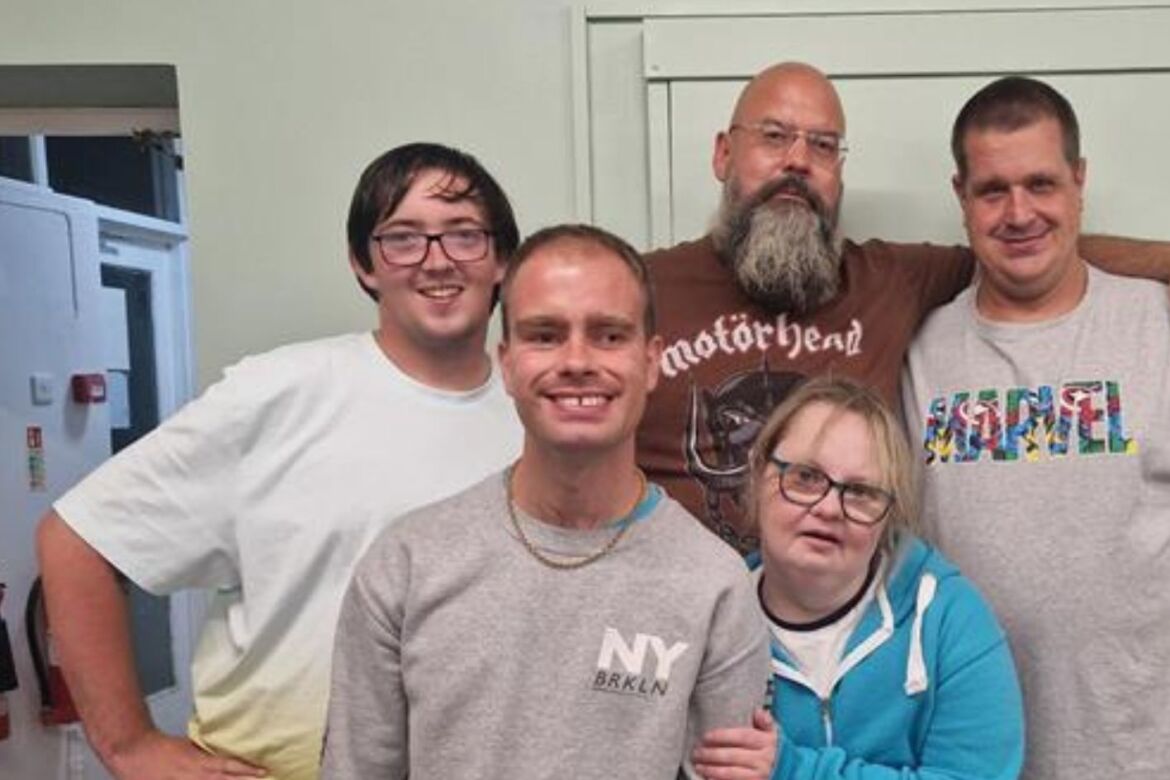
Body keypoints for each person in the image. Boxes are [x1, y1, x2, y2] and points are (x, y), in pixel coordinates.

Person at [34, 142, 524, 780]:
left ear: (503, 260)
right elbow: (74, 541)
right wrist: (129, 745)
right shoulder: (279, 392)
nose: (436, 262)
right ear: (363, 263)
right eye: (402, 238)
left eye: (464, 235)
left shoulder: (535, 417)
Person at [637, 61, 1170, 553]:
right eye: (774, 137)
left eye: (823, 145)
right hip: (693, 638)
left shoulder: (889, 282)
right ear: (723, 153)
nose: (798, 160)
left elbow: (1023, 247)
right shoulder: (638, 290)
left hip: (852, 640)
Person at [321, 224, 774, 780]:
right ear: (507, 363)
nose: (577, 361)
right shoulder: (407, 565)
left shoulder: (714, 586)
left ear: (651, 361)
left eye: (609, 335)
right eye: (545, 335)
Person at [902, 76, 1170, 778]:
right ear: (961, 195)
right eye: (993, 190)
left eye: (1042, 184)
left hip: (1138, 754)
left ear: (1079, 182)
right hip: (968, 757)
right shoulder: (919, 350)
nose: (1019, 213)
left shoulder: (1155, 327)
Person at [694, 376, 1023, 780]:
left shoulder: (947, 619)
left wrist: (794, 770)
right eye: (805, 477)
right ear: (759, 475)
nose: (830, 508)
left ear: (887, 516)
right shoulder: (711, 625)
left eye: (861, 492)